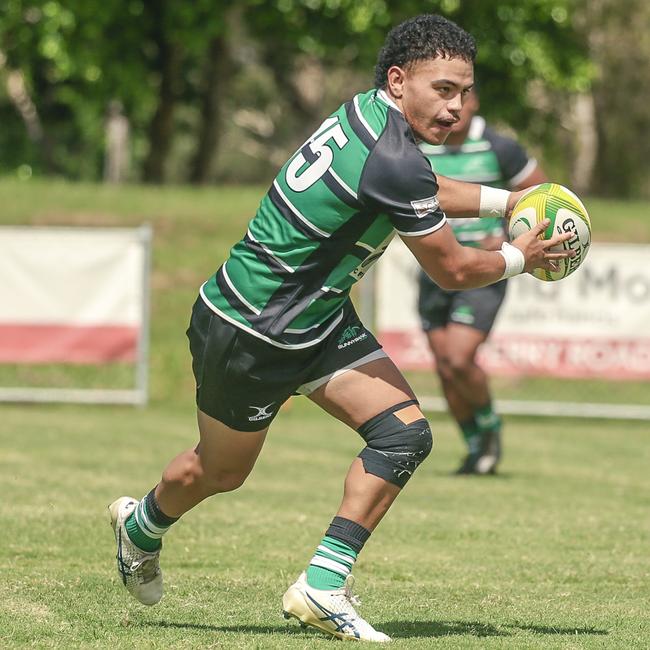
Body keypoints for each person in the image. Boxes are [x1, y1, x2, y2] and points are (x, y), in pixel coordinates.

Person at [108, 14, 573, 643]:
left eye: (463, 91)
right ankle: (140, 528)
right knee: (220, 472)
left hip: (313, 317)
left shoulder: (368, 115)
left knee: (404, 435)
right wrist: (525, 256)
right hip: (251, 329)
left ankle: (321, 588)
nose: (455, 107)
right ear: (400, 79)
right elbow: (455, 268)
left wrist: (509, 200)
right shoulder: (394, 157)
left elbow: (420, 184)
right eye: (442, 90)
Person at [417, 86, 547, 475]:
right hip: (433, 269)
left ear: (475, 102)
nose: (455, 107)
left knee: (459, 357)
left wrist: (507, 236)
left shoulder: (499, 147)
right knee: (443, 366)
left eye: (465, 96)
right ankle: (475, 446)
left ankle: (489, 427)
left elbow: (543, 196)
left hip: (485, 269)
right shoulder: (420, 146)